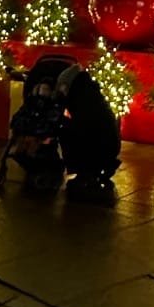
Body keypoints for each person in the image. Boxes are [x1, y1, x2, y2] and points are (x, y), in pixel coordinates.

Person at [60, 62, 121, 203]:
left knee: (67, 133)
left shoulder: (82, 100)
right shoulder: (91, 95)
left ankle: (85, 173)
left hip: (97, 148)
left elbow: (82, 129)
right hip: (109, 146)